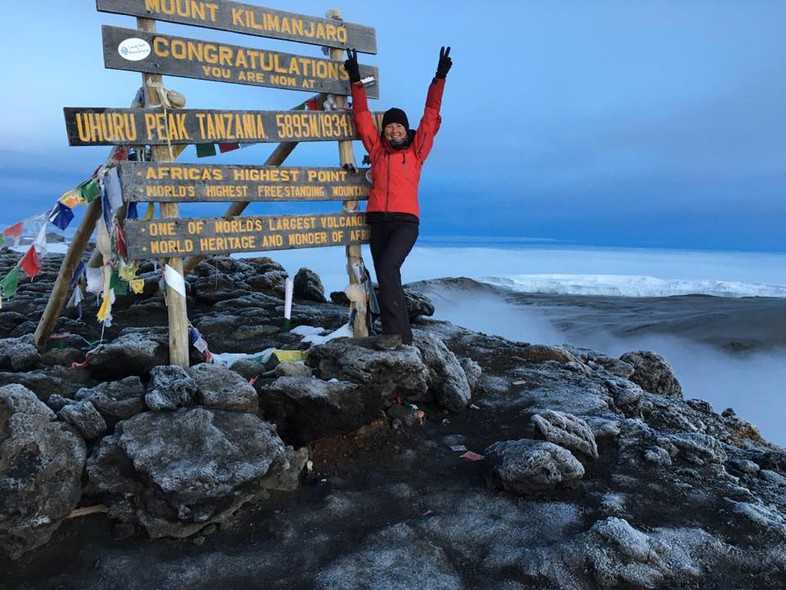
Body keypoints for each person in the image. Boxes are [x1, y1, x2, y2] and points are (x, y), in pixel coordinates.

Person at [344, 46, 452, 347]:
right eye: (389, 127)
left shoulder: (417, 152)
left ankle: (391, 332)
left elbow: (431, 116)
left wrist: (439, 78)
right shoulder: (377, 151)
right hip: (378, 221)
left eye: (398, 126)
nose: (393, 131)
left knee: (388, 269)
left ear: (406, 129)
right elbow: (362, 117)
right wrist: (356, 81)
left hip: (405, 223)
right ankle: (404, 338)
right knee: (388, 275)